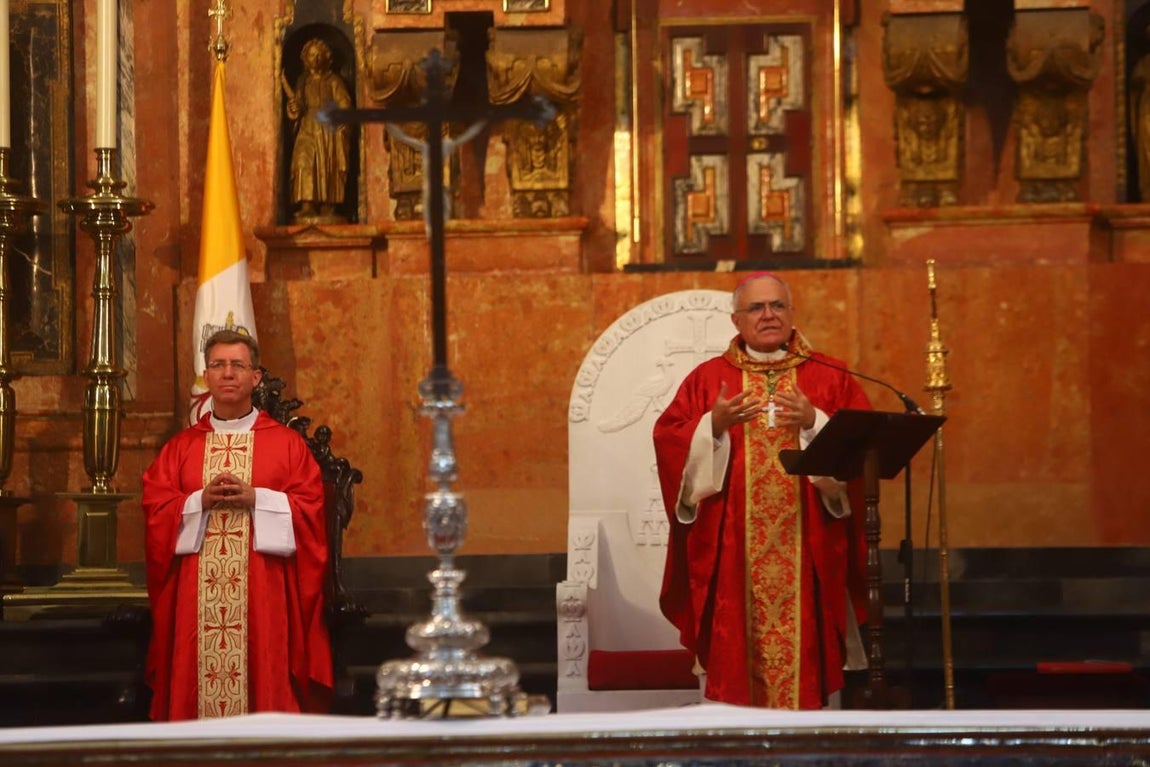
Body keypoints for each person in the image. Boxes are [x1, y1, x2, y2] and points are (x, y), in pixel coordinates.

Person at [653, 272, 870, 710]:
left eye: (777, 306)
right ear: (736, 320)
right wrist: (711, 427)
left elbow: (862, 448)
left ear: (791, 315)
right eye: (756, 307)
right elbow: (667, 439)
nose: (768, 315)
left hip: (806, 544)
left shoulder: (830, 375)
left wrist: (814, 423)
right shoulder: (708, 379)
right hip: (735, 555)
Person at [142, 329, 332, 720]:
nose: (227, 374)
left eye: (237, 365)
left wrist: (257, 499)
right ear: (206, 377)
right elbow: (155, 509)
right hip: (196, 602)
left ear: (255, 376)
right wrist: (197, 501)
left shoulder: (288, 445)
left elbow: (312, 508)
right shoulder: (179, 449)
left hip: (265, 595)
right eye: (218, 365)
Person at [283, 38, 352, 223]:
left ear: (326, 57)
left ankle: (328, 205)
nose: (315, 58)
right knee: (304, 161)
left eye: (319, 54)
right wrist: (293, 110)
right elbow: (297, 105)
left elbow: (345, 103)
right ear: (305, 59)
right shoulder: (302, 82)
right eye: (312, 55)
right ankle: (307, 204)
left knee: (328, 164)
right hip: (307, 127)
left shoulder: (334, 81)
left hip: (327, 129)